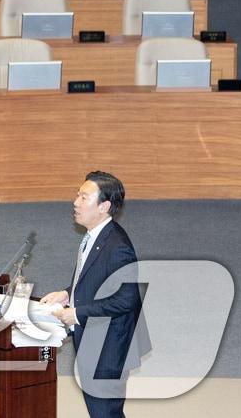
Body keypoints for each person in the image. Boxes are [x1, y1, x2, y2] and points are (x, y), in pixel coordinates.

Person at [40, 171, 143, 418]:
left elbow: (126, 299)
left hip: (108, 348)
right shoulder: (94, 236)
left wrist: (76, 313)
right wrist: (67, 294)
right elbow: (94, 281)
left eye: (84, 198)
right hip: (94, 339)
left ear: (104, 207)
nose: (76, 202)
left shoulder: (117, 247)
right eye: (78, 195)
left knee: (105, 413)